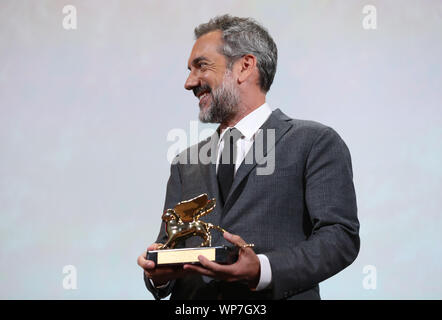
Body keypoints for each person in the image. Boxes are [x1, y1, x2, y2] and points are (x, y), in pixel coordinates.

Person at [137, 14, 360, 300]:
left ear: (244, 67)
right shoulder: (185, 162)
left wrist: (262, 270)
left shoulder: (314, 142)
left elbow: (340, 238)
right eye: (189, 70)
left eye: (201, 66)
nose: (189, 82)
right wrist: (156, 276)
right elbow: (168, 246)